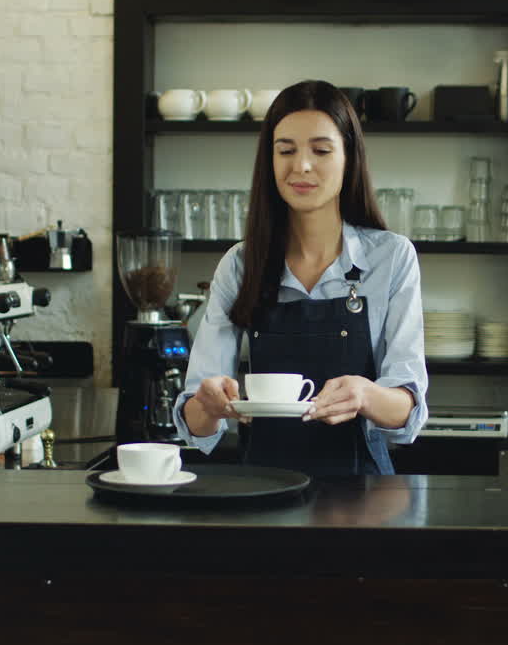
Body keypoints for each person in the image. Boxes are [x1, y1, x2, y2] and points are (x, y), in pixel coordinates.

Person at [173, 79, 428, 476]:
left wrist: (364, 394)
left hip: (363, 500)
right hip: (263, 494)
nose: (301, 166)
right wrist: (207, 401)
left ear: (349, 158)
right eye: (285, 150)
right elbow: (196, 424)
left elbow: (407, 413)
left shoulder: (391, 258)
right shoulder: (241, 264)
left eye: (321, 150)